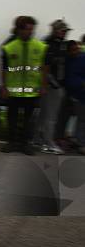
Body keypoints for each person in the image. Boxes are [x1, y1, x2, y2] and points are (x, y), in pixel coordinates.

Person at [0, 16, 46, 155]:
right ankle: (11, 143)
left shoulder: (40, 47)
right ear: (19, 29)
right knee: (12, 119)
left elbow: (44, 67)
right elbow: (4, 69)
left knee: (28, 120)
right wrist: (4, 87)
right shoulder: (9, 47)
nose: (31, 32)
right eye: (27, 29)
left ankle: (25, 144)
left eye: (32, 29)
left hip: (31, 91)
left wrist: (43, 86)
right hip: (13, 91)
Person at [36, 20, 71, 154]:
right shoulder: (48, 44)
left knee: (43, 115)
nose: (65, 33)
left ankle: (37, 139)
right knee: (51, 116)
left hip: (54, 85)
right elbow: (45, 67)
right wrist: (51, 85)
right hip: (51, 86)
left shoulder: (61, 45)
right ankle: (48, 143)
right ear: (56, 30)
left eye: (66, 31)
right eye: (63, 31)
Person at [65, 40, 85, 154]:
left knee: (81, 120)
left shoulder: (81, 58)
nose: (76, 51)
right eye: (74, 49)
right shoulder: (71, 61)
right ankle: (80, 143)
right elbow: (71, 79)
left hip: (79, 94)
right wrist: (82, 83)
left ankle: (78, 141)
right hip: (78, 95)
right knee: (82, 119)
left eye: (77, 48)